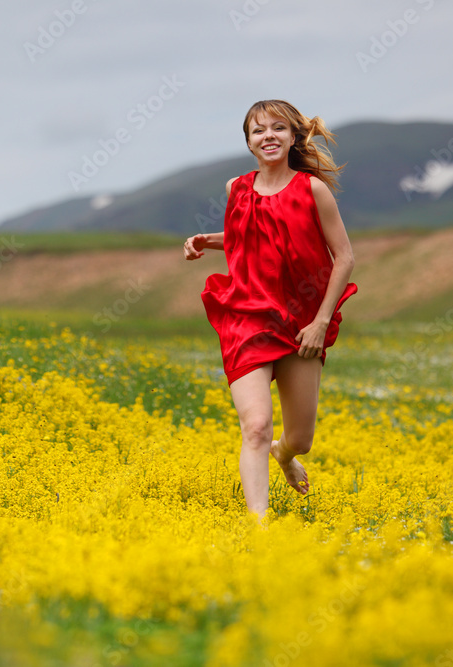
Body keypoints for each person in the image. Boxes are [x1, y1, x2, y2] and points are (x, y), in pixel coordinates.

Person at [183, 99, 357, 520]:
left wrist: (320, 322)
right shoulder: (236, 189)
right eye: (258, 130)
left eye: (278, 128)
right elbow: (248, 235)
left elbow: (345, 257)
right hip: (246, 317)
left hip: (301, 324)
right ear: (249, 142)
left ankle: (284, 454)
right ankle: (258, 529)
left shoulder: (312, 190)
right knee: (256, 426)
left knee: (301, 439)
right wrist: (208, 240)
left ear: (293, 136)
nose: (268, 136)